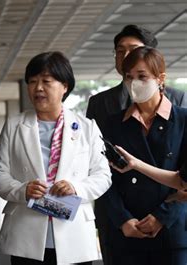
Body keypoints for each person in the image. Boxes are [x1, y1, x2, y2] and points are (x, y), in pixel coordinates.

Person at [0, 51, 111, 265]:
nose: (38, 88)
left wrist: (76, 188)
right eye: (33, 82)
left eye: (46, 81)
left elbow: (103, 175)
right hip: (26, 234)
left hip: (74, 235)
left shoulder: (86, 127)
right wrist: (22, 190)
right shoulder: (14, 125)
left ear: (65, 86)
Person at [85, 24, 187, 265]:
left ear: (160, 78)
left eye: (142, 77)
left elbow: (184, 181)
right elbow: (103, 176)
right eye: (129, 77)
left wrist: (162, 217)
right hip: (126, 233)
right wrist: (122, 220)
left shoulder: (183, 119)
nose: (134, 84)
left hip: (172, 231)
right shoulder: (112, 124)